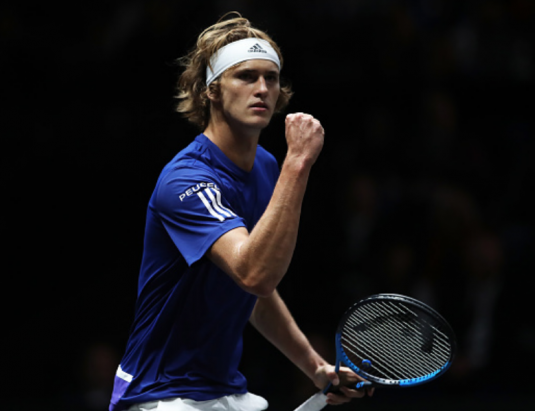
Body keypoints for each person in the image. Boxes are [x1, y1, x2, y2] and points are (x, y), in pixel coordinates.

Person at [109, 13, 372, 411]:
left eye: (271, 77)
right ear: (211, 90)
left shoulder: (266, 167)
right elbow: (254, 273)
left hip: (223, 389)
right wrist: (298, 162)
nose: (263, 89)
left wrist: (317, 368)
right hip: (162, 395)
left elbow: (255, 294)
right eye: (246, 76)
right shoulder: (185, 180)